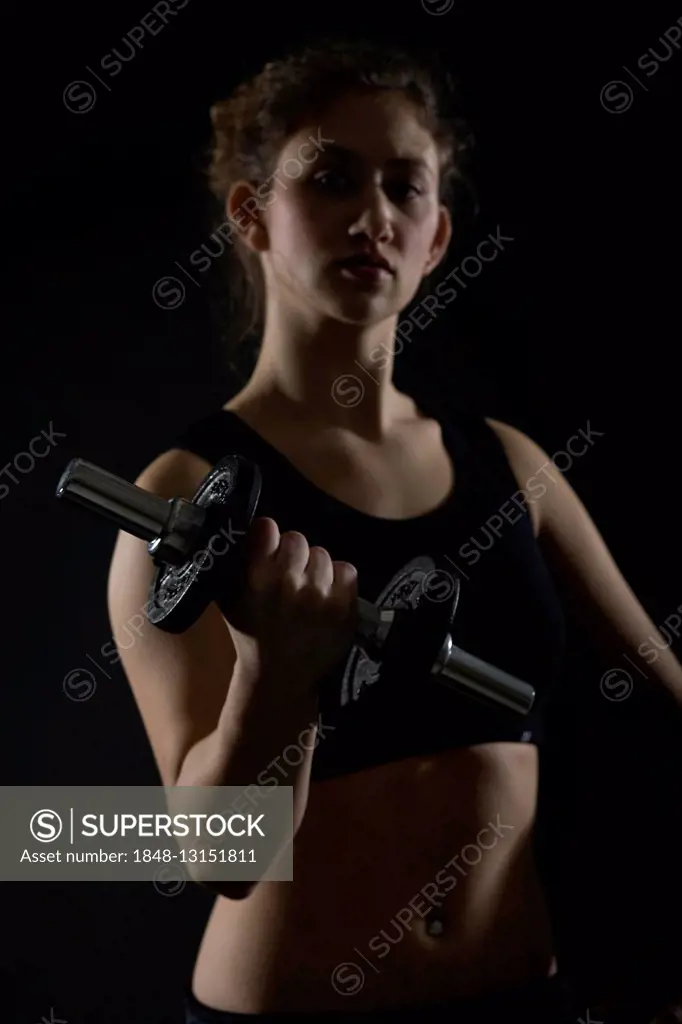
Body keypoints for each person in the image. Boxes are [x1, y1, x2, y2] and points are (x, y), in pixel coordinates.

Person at [106, 36, 682, 1024]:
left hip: (523, 996)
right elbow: (213, 857)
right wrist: (273, 675)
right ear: (252, 214)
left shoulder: (510, 464)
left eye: (404, 188)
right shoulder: (182, 493)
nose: (372, 214)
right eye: (330, 179)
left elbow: (665, 708)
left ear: (438, 237)